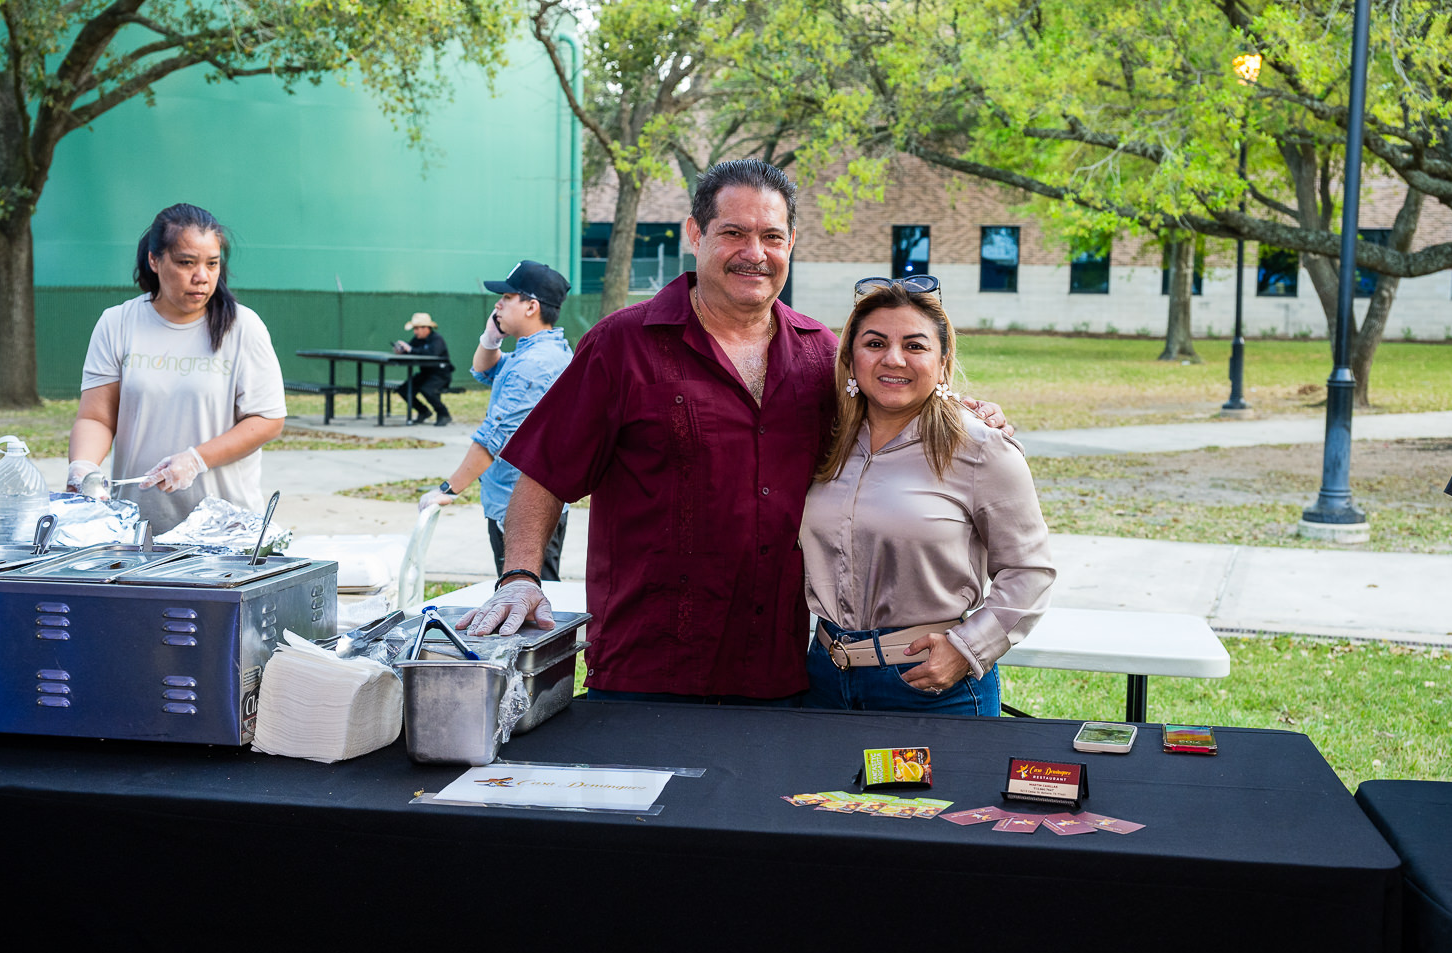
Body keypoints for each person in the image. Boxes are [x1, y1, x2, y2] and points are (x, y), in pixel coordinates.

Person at [458, 159, 1009, 705]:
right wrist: (522, 576)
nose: (755, 253)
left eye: (771, 236)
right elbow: (545, 471)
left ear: (791, 242)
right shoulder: (621, 345)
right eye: (734, 233)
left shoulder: (821, 354)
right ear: (696, 234)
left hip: (780, 672)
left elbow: (892, 410)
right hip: (647, 671)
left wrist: (962, 410)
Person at [801, 276, 1054, 716]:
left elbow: (1029, 570)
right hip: (824, 679)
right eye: (875, 343)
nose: (893, 359)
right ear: (851, 357)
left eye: (915, 346)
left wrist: (969, 648)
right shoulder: (824, 439)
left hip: (929, 685)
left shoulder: (980, 448)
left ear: (943, 361)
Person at [66, 203, 286, 533]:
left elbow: (267, 420)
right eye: (186, 263)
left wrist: (197, 459)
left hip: (225, 530)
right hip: (137, 528)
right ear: (155, 260)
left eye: (212, 264)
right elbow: (96, 417)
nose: (202, 277)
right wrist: (82, 467)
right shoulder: (118, 323)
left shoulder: (243, 327)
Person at [418, 261, 574, 578]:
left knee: (529, 603)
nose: (497, 304)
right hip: (518, 503)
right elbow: (485, 370)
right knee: (525, 600)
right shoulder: (538, 352)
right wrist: (491, 338)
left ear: (531, 306)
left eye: (507, 297)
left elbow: (493, 440)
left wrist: (448, 490)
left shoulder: (535, 365)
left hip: (523, 509)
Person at [391, 312, 454, 426]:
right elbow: (411, 351)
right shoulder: (417, 339)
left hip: (440, 375)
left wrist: (409, 349)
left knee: (427, 390)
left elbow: (431, 354)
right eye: (414, 329)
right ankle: (423, 412)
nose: (415, 332)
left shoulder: (437, 339)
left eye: (417, 328)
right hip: (425, 374)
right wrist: (402, 351)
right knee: (404, 390)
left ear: (426, 328)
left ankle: (444, 414)